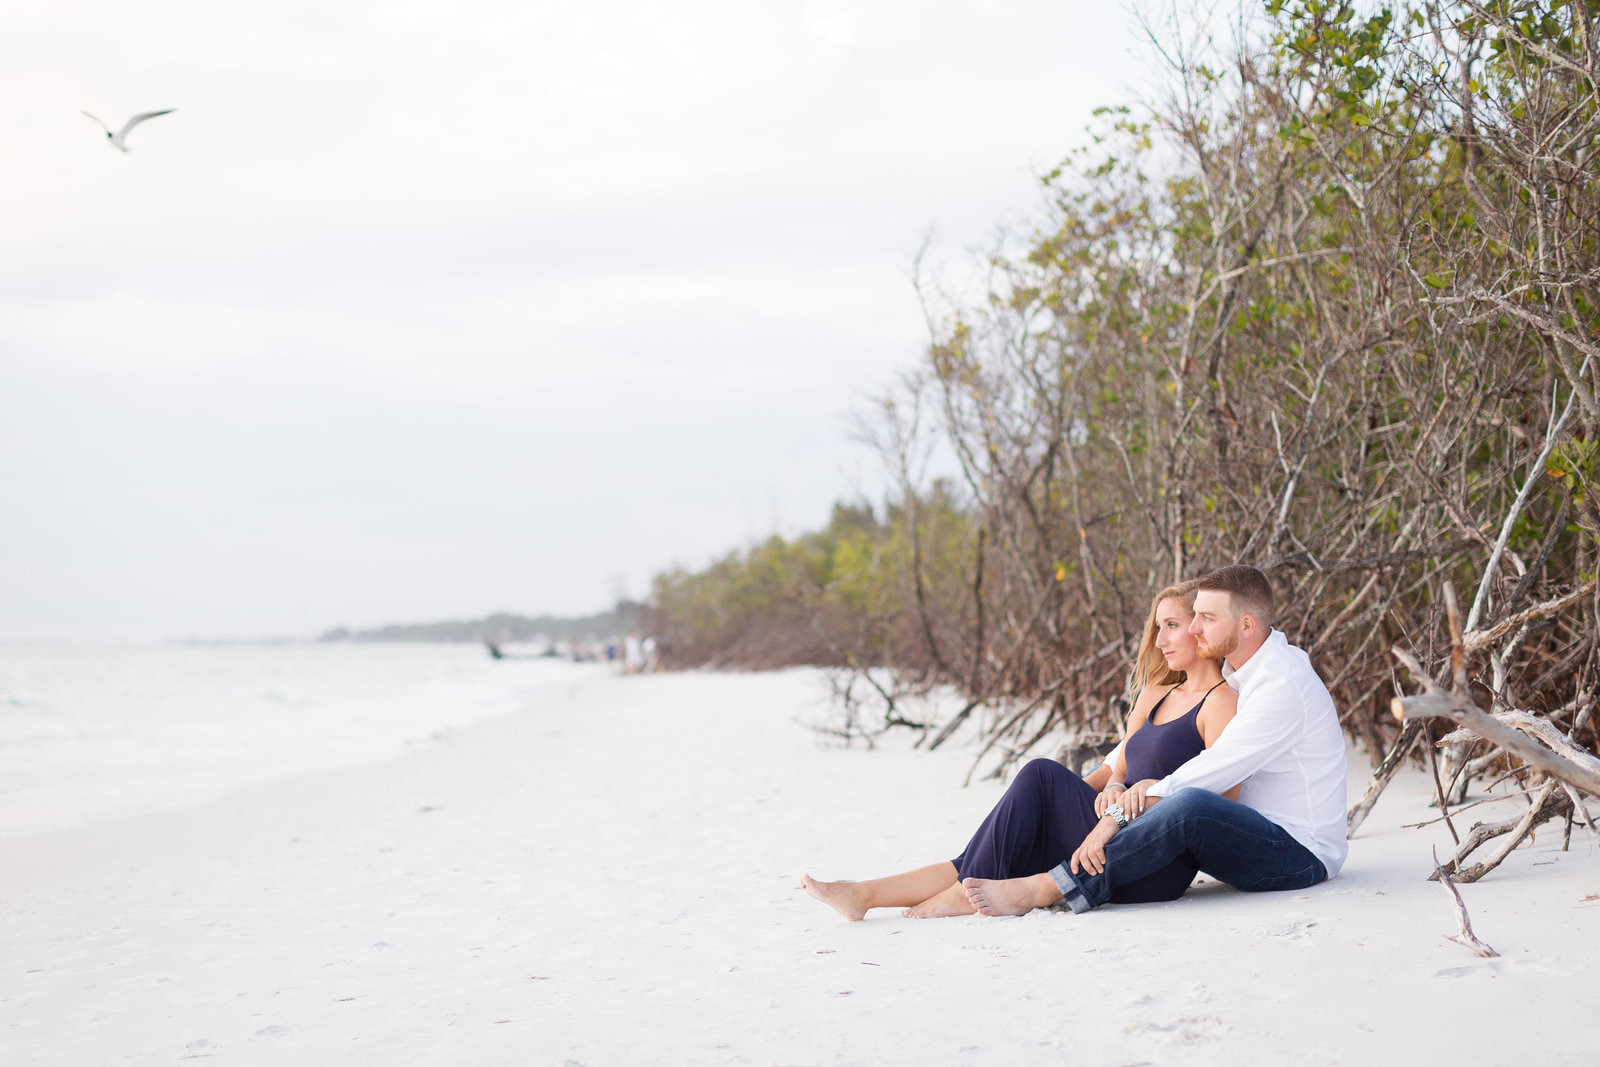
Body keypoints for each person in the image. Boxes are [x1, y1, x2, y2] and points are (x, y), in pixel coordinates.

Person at [802, 579, 1239, 921]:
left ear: (1199, 629)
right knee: (1003, 838)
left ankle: (954, 892)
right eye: (1157, 626)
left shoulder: (1220, 702)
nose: (1160, 638)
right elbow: (1120, 767)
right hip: (1104, 831)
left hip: (1152, 862)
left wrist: (1145, 792)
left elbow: (1221, 803)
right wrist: (1116, 786)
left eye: (1173, 625)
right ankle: (863, 894)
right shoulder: (1154, 694)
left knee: (1041, 774)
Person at [961, 564, 1348, 917]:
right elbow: (1129, 752)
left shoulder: (1279, 683)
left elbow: (1214, 769)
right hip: (1247, 830)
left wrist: (1116, 817)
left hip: (1299, 852)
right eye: (1194, 617)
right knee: (1166, 797)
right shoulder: (1239, 669)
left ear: (1246, 625)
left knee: (1191, 803)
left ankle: (1050, 886)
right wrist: (1110, 783)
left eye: (1207, 619)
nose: (1194, 629)